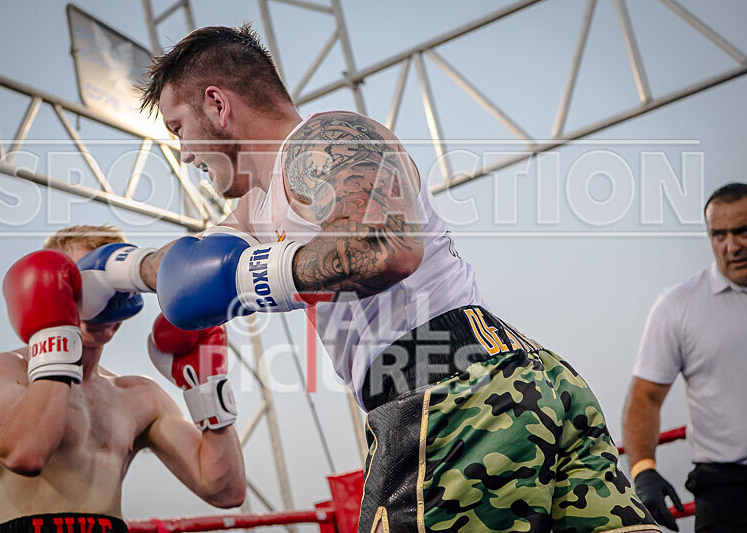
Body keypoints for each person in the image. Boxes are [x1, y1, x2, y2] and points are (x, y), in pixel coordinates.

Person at [83, 25, 659, 532]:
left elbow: (386, 247)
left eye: (180, 127)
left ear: (217, 104)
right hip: (509, 381)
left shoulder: (320, 141)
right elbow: (195, 263)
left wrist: (260, 278)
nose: (182, 153)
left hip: (445, 391)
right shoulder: (261, 206)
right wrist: (114, 273)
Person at [0, 225, 245, 533]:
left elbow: (224, 490)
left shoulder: (137, 396)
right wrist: (57, 333)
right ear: (51, 288)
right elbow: (24, 453)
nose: (101, 301)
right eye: (81, 285)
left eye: (115, 288)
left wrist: (207, 387)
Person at [623, 182, 747, 533]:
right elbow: (644, 397)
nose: (731, 246)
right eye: (719, 235)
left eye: (742, 231)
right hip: (725, 491)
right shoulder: (678, 305)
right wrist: (643, 469)